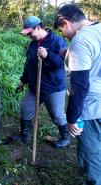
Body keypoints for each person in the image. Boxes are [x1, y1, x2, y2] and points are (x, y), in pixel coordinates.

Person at [54, 4, 101, 184]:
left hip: (92, 105)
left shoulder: (80, 40)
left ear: (65, 23)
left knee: (92, 150)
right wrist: (69, 55)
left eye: (61, 31)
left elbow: (79, 86)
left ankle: (94, 179)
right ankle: (85, 169)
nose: (64, 36)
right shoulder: (98, 29)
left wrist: (72, 117)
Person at [6, 16, 69, 148]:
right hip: (35, 86)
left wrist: (48, 55)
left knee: (57, 116)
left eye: (30, 33)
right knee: (25, 109)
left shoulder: (57, 41)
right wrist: (23, 80)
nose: (29, 36)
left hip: (53, 87)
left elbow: (61, 63)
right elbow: (29, 64)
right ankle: (25, 135)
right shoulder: (33, 44)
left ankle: (65, 137)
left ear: (38, 28)